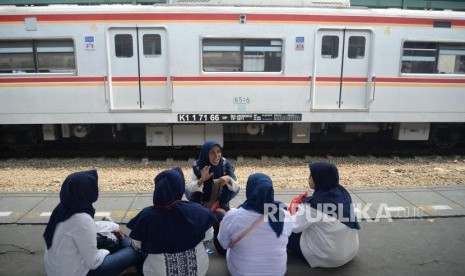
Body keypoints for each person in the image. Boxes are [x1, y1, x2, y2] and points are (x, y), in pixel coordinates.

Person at [43, 170, 142, 276]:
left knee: (115, 236)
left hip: (57, 269)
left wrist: (114, 227)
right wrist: (105, 251)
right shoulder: (82, 220)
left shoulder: (64, 208)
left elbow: (90, 227)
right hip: (80, 272)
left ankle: (125, 245)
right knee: (136, 250)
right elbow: (94, 262)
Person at [127, 167, 216, 276]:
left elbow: (137, 246)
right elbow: (208, 240)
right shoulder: (198, 211)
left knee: (131, 246)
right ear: (180, 188)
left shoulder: (146, 216)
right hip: (199, 272)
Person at [287, 162, 360, 268]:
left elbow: (295, 227)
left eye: (311, 175)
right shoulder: (343, 193)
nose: (309, 178)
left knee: (282, 229)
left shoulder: (314, 205)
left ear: (319, 178)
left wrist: (292, 211)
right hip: (350, 250)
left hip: (328, 257)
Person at [217, 173, 292, 276]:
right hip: (278, 273)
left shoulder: (233, 217)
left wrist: (225, 219)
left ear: (249, 190)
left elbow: (223, 244)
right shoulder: (285, 215)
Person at [185, 140, 239, 211]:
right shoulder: (198, 165)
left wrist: (229, 179)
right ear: (205, 154)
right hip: (200, 199)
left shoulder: (225, 164)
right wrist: (201, 180)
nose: (216, 155)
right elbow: (191, 188)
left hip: (220, 200)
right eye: (212, 152)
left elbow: (236, 187)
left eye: (218, 151)